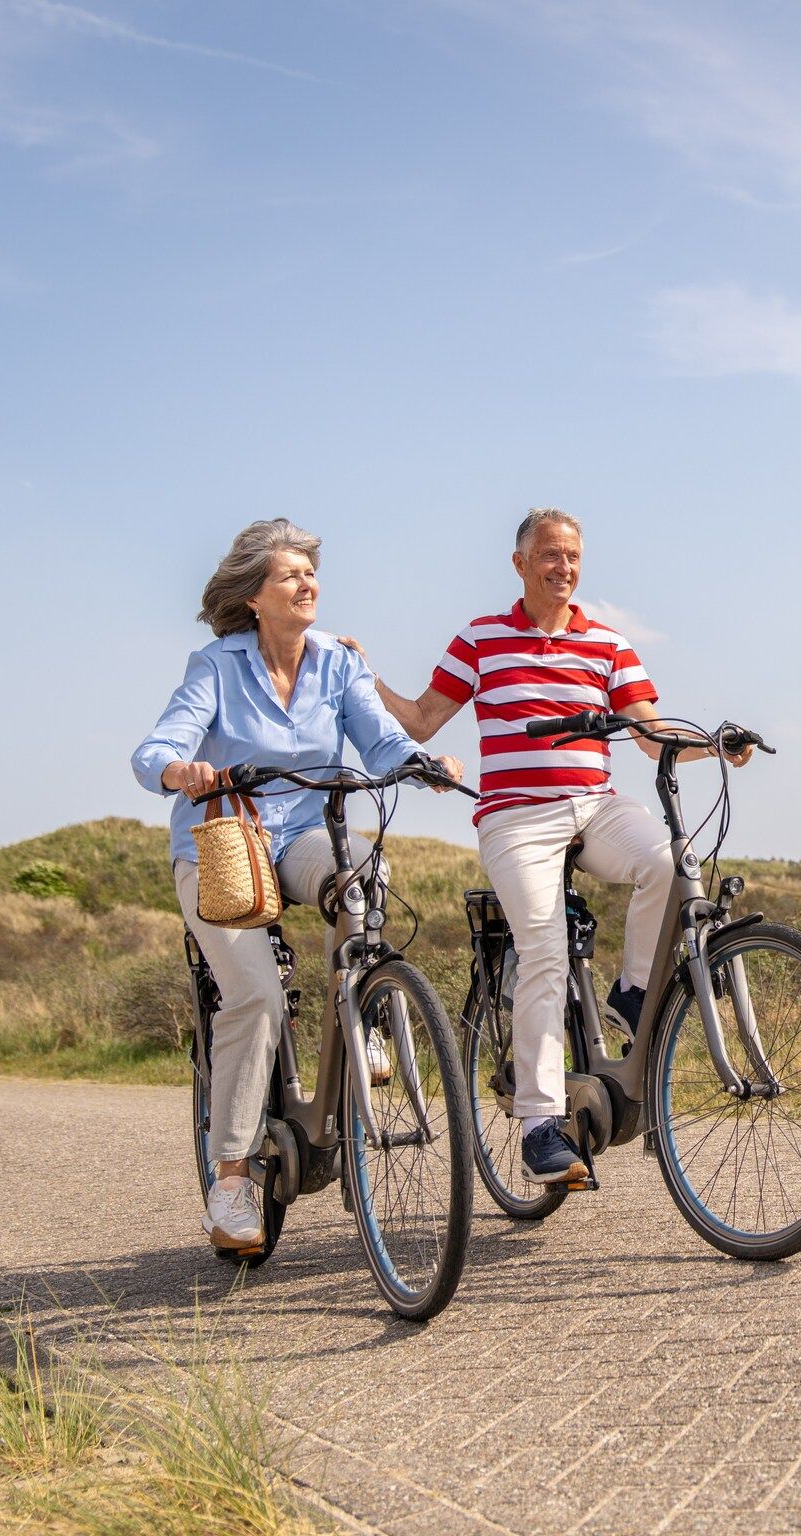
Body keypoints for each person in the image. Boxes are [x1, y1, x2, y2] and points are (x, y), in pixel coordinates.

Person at [357, 508, 748, 1188]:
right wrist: (367, 679)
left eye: (572, 557)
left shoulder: (608, 644)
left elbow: (650, 734)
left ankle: (632, 993)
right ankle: (541, 1124)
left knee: (670, 861)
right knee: (543, 945)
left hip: (594, 806)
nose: (562, 567)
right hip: (515, 816)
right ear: (519, 564)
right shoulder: (481, 638)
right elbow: (421, 719)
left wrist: (713, 744)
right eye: (549, 554)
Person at [132, 519, 463, 1252]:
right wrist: (179, 769)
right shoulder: (216, 665)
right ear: (254, 596)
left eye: (311, 572)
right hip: (224, 843)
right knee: (254, 995)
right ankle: (231, 1182)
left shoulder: (338, 663)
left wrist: (421, 765)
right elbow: (158, 745)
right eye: (289, 574)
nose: (307, 582)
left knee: (363, 875)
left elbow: (381, 740)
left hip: (306, 836)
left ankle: (365, 1018)